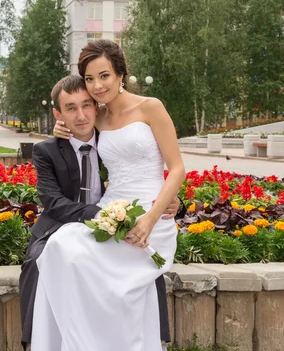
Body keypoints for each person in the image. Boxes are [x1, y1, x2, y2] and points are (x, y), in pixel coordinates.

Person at [30, 40, 186, 351]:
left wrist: (152, 217)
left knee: (83, 261)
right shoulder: (96, 116)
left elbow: (178, 168)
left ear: (120, 75)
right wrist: (60, 128)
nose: (98, 86)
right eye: (90, 79)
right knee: (60, 248)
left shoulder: (150, 107)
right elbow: (75, 126)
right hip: (110, 211)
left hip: (152, 217)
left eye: (104, 76)